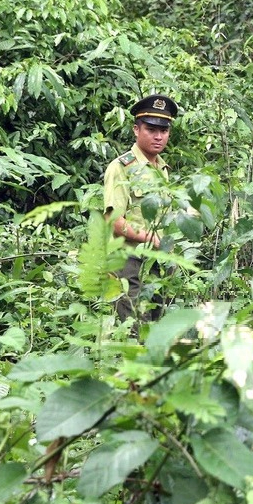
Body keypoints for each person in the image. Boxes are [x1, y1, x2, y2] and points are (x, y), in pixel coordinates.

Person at [104, 94, 179, 330]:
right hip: (128, 260)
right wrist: (152, 238)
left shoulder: (162, 168)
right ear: (136, 130)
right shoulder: (121, 167)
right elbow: (113, 221)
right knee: (133, 328)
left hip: (157, 260)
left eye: (164, 131)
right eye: (151, 129)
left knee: (155, 327)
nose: (158, 136)